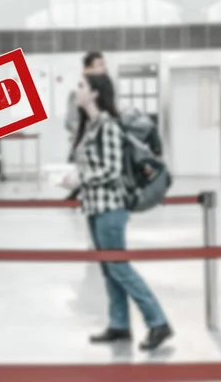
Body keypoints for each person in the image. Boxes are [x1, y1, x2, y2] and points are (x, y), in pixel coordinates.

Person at [60, 73, 173, 351]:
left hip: (111, 208)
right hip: (95, 207)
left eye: (81, 86)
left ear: (95, 93)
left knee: (120, 268)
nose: (77, 91)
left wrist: (80, 180)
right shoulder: (90, 126)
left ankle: (158, 322)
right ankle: (119, 324)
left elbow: (111, 169)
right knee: (109, 270)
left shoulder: (107, 125)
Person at [65, 51, 117, 201]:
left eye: (104, 64)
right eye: (100, 65)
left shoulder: (108, 125)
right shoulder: (80, 92)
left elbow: (111, 169)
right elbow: (72, 121)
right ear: (88, 69)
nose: (105, 68)